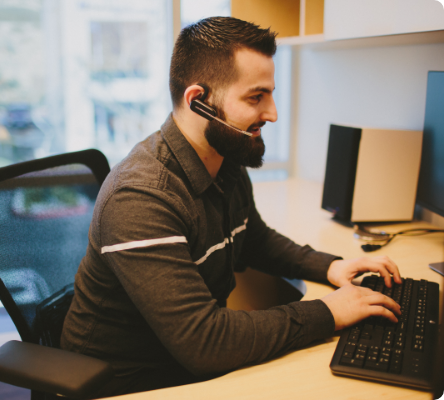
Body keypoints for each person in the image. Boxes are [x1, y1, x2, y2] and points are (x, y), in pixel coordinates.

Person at [61, 16, 401, 396]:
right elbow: (204, 343)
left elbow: (253, 238)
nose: (272, 113)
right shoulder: (140, 197)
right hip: (129, 381)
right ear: (198, 101)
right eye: (256, 97)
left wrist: (331, 266)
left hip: (181, 361)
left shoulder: (224, 156)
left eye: (270, 95)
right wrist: (329, 312)